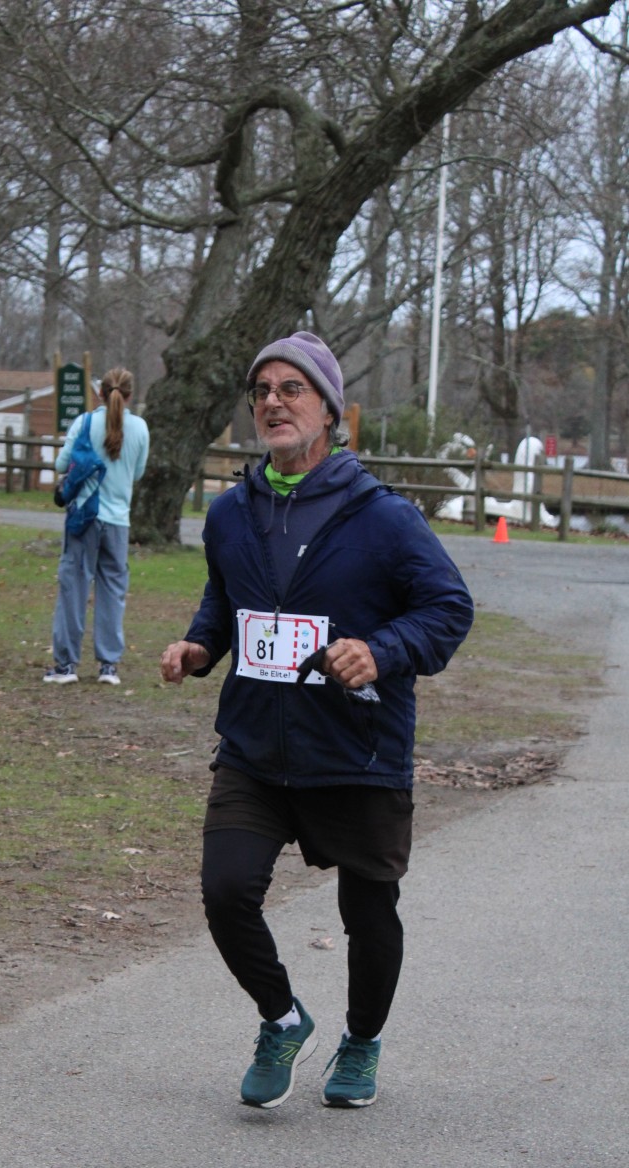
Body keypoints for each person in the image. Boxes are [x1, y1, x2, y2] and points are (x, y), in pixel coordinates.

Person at [160, 330, 473, 1110]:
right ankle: (281, 1018)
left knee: (368, 911)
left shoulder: (384, 518)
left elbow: (447, 607)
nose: (272, 401)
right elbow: (226, 602)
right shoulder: (230, 513)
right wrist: (200, 646)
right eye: (261, 390)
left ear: (330, 411)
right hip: (257, 747)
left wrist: (382, 650)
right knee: (226, 890)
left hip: (355, 748)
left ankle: (361, 1042)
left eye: (291, 388)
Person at [43, 367, 149, 686]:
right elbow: (137, 473)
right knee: (113, 591)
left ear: (100, 393)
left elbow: (61, 464)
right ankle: (108, 666)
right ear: (130, 396)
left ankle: (66, 666)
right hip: (118, 521)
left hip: (84, 518)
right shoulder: (140, 428)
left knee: (74, 586)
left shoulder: (84, 423)